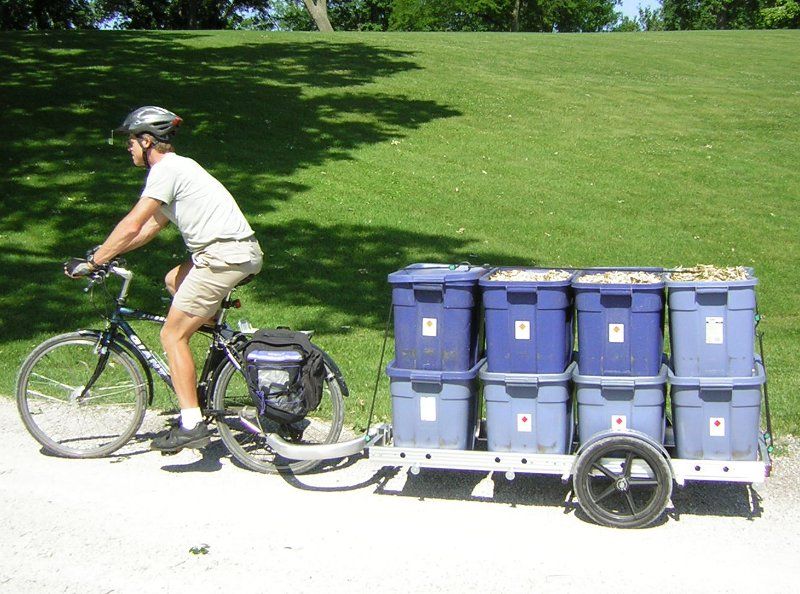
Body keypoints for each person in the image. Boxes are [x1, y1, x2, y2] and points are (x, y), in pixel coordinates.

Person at [64, 106, 263, 452]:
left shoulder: (165, 170)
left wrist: (95, 261)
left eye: (130, 140)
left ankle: (191, 423)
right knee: (174, 280)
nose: (128, 147)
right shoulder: (179, 168)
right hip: (232, 253)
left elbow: (131, 223)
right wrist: (110, 253)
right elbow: (150, 228)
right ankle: (222, 348)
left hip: (221, 257)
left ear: (147, 141)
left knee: (172, 335)